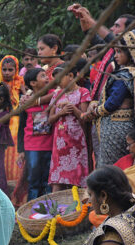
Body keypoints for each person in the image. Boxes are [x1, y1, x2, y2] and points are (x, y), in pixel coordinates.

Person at [82, 31, 135, 166]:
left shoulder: (126, 75)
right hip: (119, 125)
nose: (116, 56)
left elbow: (113, 102)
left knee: (111, 167)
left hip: (116, 128)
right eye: (115, 51)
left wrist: (94, 113)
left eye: (119, 52)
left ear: (130, 52)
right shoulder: (127, 73)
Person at [48, 59, 92, 191]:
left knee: (76, 178)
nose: (58, 83)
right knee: (57, 178)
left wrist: (73, 108)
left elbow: (85, 118)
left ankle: (77, 208)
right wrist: (60, 113)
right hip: (59, 143)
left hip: (76, 143)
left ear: (71, 76)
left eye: (60, 79)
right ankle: (55, 208)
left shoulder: (83, 92)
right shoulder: (56, 94)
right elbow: (50, 120)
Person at [0, 56, 25, 185]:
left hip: (18, 121)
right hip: (2, 122)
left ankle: (15, 181)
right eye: (4, 69)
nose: (7, 72)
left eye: (10, 70)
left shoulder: (20, 82)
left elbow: (25, 98)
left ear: (16, 70)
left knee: (14, 152)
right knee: (2, 154)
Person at [17, 68, 54, 199]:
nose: (47, 77)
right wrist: (20, 150)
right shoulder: (25, 101)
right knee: (33, 180)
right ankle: (32, 211)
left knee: (48, 180)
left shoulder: (53, 95)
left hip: (50, 145)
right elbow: (21, 126)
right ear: (33, 83)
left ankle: (50, 210)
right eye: (43, 76)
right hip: (32, 147)